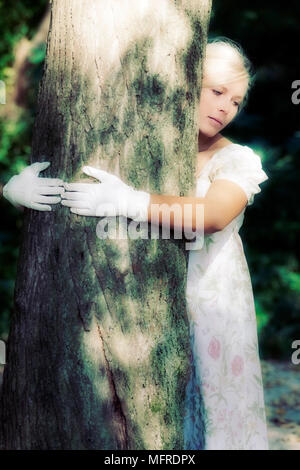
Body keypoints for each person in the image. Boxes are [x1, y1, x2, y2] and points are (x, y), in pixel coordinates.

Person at [3, 37, 269, 450]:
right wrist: (12, 190)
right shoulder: (135, 135)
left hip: (211, 307)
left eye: (235, 101)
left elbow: (213, 216)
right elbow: (77, 188)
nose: (225, 108)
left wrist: (130, 201)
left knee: (212, 415)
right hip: (128, 306)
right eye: (216, 91)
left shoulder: (237, 159)